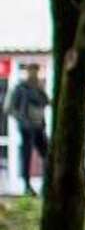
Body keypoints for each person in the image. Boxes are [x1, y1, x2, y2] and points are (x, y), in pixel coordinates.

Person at [6, 62, 51, 197]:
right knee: (26, 156)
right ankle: (27, 186)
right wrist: (21, 119)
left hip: (39, 127)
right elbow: (9, 108)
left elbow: (47, 102)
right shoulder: (20, 88)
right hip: (26, 127)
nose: (34, 73)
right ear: (27, 72)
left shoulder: (39, 88)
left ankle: (47, 185)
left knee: (48, 154)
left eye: (36, 70)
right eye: (32, 70)